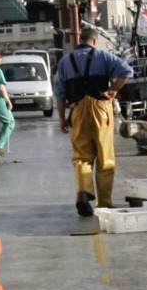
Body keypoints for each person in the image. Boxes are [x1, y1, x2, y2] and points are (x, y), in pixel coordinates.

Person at [54, 28, 134, 216]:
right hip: (101, 109)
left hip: (77, 109)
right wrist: (113, 90)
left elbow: (60, 94)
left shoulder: (65, 61)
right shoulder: (103, 57)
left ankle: (84, 191)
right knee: (105, 156)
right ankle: (104, 203)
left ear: (79, 41)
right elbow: (127, 71)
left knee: (82, 156)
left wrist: (62, 118)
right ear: (95, 41)